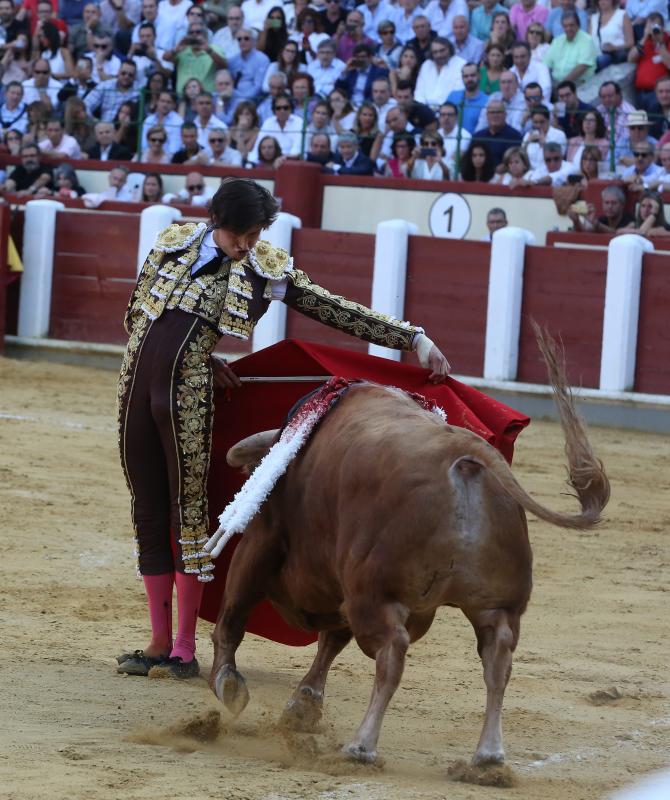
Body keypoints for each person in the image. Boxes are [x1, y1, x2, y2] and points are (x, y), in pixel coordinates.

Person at [116, 178, 450, 678]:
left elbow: (332, 307)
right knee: (147, 510)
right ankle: (158, 641)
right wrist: (203, 360)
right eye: (239, 234)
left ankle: (185, 648)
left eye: (254, 233)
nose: (247, 243)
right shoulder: (173, 244)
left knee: (190, 514)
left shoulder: (265, 271)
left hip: (187, 404)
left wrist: (412, 337)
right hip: (134, 391)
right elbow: (138, 321)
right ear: (217, 220)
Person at [164, 18, 227, 96]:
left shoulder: (214, 49)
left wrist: (208, 50)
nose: (194, 35)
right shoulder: (183, 50)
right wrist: (176, 49)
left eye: (198, 32)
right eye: (191, 33)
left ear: (204, 34)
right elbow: (165, 58)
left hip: (205, 100)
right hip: (184, 98)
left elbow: (224, 65)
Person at [543, 11, 597, 86]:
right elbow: (546, 64)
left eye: (571, 25)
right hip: (556, 82)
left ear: (578, 25)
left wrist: (563, 85)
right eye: (565, 26)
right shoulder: (557, 41)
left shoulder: (587, 40)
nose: (568, 28)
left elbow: (581, 67)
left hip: (578, 83)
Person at [628, 14, 670, 110]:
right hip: (640, 92)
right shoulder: (644, 42)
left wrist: (660, 42)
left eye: (655, 25)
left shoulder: (667, 41)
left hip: (659, 93)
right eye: (649, 26)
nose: (652, 29)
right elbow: (630, 58)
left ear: (662, 27)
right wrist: (644, 37)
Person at [414, 36, 465, 107]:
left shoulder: (461, 64)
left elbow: (459, 92)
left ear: (449, 49)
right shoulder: (426, 64)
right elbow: (419, 92)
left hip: (449, 111)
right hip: (425, 111)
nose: (439, 55)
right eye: (435, 52)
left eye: (442, 50)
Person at [472, 99, 522, 166]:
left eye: (499, 112)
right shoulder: (478, 137)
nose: (495, 115)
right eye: (492, 112)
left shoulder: (515, 136)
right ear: (487, 115)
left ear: (505, 115)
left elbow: (516, 160)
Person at [228, 27, 271, 103]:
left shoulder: (262, 59)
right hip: (234, 98)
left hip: (254, 100)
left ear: (254, 41)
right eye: (239, 39)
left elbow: (258, 86)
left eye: (246, 38)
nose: (242, 41)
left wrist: (244, 99)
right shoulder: (232, 61)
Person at [569, 184, 635, 231]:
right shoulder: (602, 220)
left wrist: (596, 224)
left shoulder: (630, 220)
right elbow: (585, 232)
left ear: (622, 205)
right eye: (607, 203)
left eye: (614, 203)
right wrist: (576, 221)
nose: (610, 206)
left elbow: (618, 233)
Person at [590, 0, 633, 73]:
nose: (602, 1)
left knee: (602, 60)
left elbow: (631, 42)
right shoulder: (593, 18)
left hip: (614, 55)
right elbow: (589, 40)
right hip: (595, 54)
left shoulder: (622, 15)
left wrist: (614, 47)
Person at [446, 62, 488, 135]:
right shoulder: (453, 96)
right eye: (466, 76)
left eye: (472, 75)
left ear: (479, 76)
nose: (469, 79)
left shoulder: (487, 101)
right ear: (462, 78)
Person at [522, 105, 567, 170]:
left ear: (548, 120)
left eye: (542, 122)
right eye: (535, 122)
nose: (538, 125)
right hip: (530, 173)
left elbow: (558, 158)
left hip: (550, 171)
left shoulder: (559, 135)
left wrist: (544, 144)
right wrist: (527, 143)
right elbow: (521, 157)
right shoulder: (528, 135)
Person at [596, 80, 636, 149]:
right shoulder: (599, 110)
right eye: (603, 97)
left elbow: (627, 141)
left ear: (619, 95)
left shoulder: (629, 112)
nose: (606, 100)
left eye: (610, 96)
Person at [437, 101, 471, 177]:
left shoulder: (465, 136)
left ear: (456, 117)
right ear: (439, 117)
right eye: (443, 115)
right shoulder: (436, 134)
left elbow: (454, 162)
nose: (446, 118)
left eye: (450, 115)